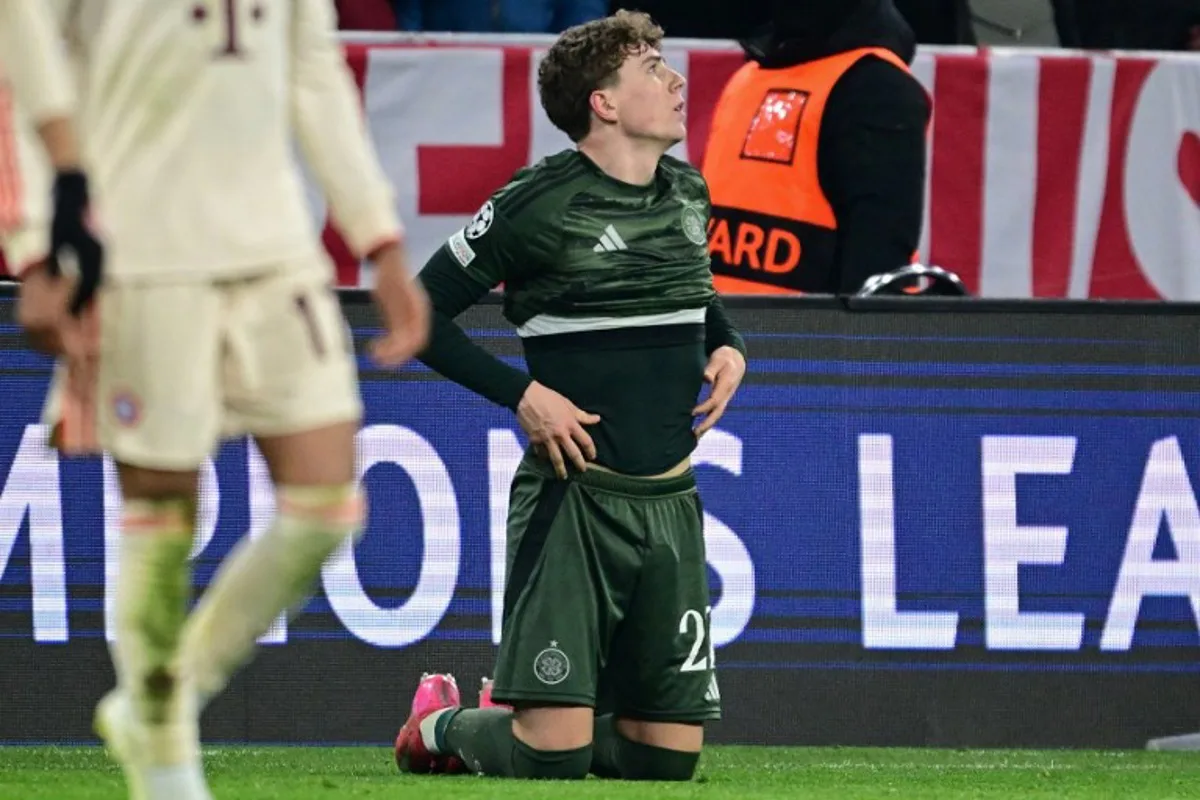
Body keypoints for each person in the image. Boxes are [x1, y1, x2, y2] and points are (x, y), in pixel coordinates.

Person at [13, 2, 430, 799]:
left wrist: (379, 237)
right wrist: (35, 246)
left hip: (273, 248)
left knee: (328, 504)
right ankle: (168, 764)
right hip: (138, 250)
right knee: (164, 513)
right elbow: (24, 58)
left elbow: (313, 70)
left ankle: (159, 700)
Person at [392, 9, 747, 783]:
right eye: (652, 67)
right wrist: (522, 397)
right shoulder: (536, 203)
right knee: (550, 761)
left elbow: (694, 284)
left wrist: (727, 341)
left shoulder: (688, 190)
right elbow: (416, 314)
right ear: (605, 103)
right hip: (574, 501)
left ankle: (539, 711)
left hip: (671, 503)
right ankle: (444, 722)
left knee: (665, 765)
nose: (676, 78)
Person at [702, 0, 931, 295]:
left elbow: (877, 271)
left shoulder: (877, 90)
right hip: (719, 333)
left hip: (807, 338)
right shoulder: (750, 76)